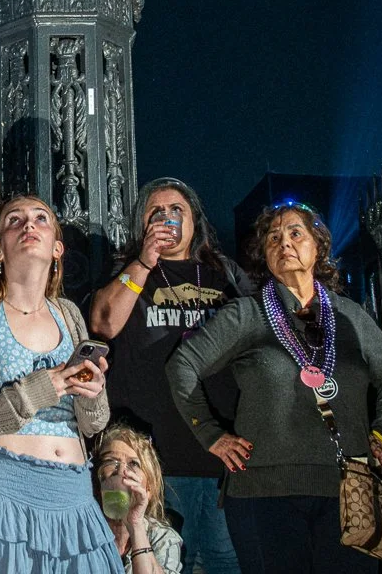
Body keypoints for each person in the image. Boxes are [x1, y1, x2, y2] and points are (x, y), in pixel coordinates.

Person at [167, 201, 382, 574]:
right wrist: (210, 433)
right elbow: (182, 365)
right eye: (273, 238)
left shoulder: (351, 316)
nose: (284, 243)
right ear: (264, 256)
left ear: (318, 247)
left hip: (352, 490)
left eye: (296, 233)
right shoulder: (246, 314)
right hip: (264, 494)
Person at [0, 194, 117, 573]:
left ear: (58, 247)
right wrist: (37, 391)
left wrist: (93, 395)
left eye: (41, 219)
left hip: (74, 506)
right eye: (14, 220)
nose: (29, 225)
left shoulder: (70, 316)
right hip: (0, 501)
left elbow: (94, 423)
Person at [89, 177, 252, 574]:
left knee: (222, 563)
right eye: (155, 211)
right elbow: (104, 323)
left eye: (176, 209)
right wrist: (144, 262)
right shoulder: (127, 272)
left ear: (194, 220)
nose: (167, 217)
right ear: (142, 226)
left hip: (220, 457)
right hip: (154, 461)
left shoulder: (225, 274)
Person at [96, 424, 184, 573]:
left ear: (149, 488)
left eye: (133, 464)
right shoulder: (80, 529)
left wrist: (135, 525)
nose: (122, 471)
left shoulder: (162, 537)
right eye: (110, 461)